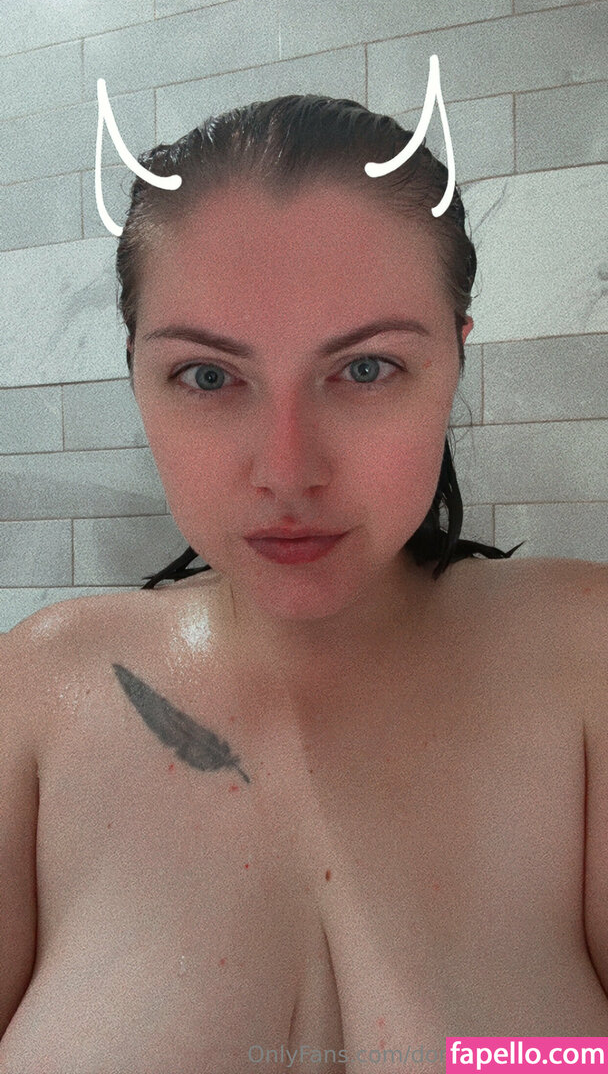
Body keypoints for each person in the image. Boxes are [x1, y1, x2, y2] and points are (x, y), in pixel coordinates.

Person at [1, 94, 606, 1074]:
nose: (286, 471)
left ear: (455, 356)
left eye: (364, 369)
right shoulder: (34, 693)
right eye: (208, 377)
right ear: (137, 376)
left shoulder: (588, 660)